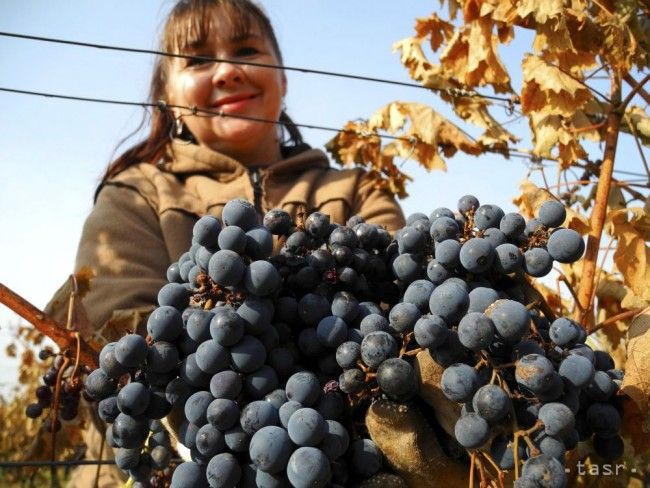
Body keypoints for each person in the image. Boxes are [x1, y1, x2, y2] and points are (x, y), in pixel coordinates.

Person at [43, 0, 422, 486]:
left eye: (246, 49)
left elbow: (396, 309)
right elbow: (116, 348)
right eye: (198, 60)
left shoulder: (355, 190)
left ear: (283, 79)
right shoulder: (137, 193)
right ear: (166, 95)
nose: (227, 71)